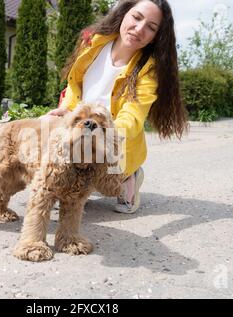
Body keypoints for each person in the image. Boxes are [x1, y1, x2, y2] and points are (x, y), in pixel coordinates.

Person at [46, 0, 188, 213]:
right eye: (137, 17)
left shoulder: (148, 71)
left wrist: (105, 132)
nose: (139, 29)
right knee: (45, 125)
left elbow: (133, 115)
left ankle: (129, 177)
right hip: (82, 127)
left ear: (156, 37)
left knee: (101, 180)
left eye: (151, 27)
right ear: (124, 13)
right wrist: (67, 109)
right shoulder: (94, 42)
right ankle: (79, 179)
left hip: (114, 139)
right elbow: (74, 84)